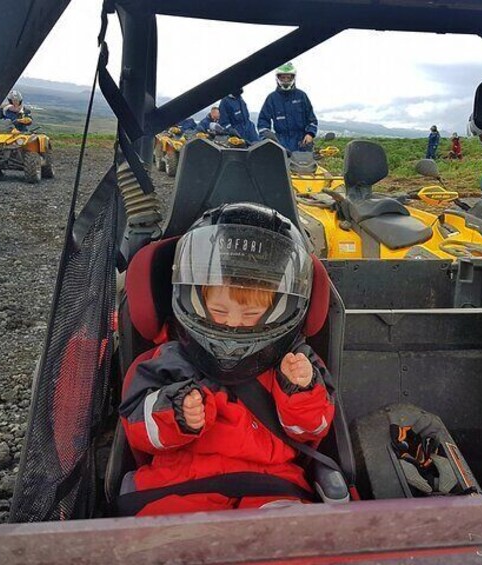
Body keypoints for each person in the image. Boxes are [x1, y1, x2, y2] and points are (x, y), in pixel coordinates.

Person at [119, 203, 335, 516]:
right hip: (179, 484)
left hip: (271, 484)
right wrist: (175, 414)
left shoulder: (293, 362)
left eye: (251, 314)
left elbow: (313, 431)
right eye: (220, 312)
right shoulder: (167, 358)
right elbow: (137, 431)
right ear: (194, 298)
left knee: (290, 544)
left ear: (282, 308)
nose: (233, 323)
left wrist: (300, 390)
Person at [257, 62, 318, 152]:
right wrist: (267, 135)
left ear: (293, 78)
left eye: (288, 77)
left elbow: (312, 119)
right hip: (280, 143)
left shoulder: (301, 96)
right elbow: (263, 120)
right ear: (278, 78)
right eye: (283, 77)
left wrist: (310, 134)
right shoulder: (272, 98)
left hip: (302, 142)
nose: (285, 80)